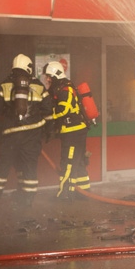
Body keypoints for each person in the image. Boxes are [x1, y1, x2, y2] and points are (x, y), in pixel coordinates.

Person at [0, 54, 52, 207]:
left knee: (3, 165)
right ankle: (27, 200)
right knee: (29, 166)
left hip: (11, 134)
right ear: (29, 67)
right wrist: (48, 130)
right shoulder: (38, 86)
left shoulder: (4, 85)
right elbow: (48, 111)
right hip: (32, 134)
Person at [43, 61, 90, 197]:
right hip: (74, 131)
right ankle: (84, 193)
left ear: (56, 75)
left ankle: (65, 194)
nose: (47, 79)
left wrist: (46, 115)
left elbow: (63, 110)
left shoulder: (66, 89)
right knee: (78, 162)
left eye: (49, 76)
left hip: (73, 133)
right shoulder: (59, 89)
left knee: (68, 163)